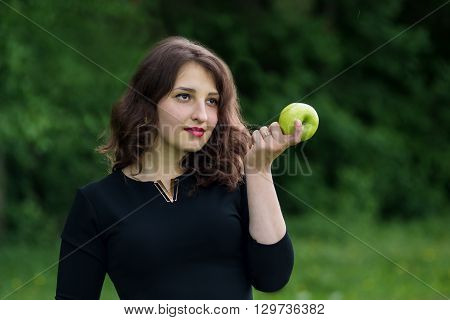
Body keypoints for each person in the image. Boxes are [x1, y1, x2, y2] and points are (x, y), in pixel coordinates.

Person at [55, 36, 303, 300]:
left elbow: (273, 276)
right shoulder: (97, 203)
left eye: (212, 101)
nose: (202, 114)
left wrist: (259, 169)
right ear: (147, 103)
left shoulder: (234, 182)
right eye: (184, 97)